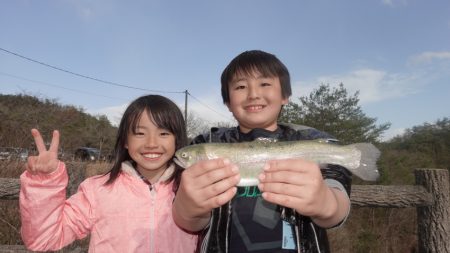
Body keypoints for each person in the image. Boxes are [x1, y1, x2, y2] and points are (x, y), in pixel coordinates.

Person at [172, 50, 352, 253]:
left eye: (265, 84)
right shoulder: (207, 141)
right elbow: (188, 221)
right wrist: (188, 206)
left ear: (285, 96)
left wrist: (326, 204)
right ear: (227, 102)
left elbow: (339, 206)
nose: (253, 94)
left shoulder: (315, 141)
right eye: (240, 86)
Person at [20, 94, 198, 252]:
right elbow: (44, 240)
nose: (152, 143)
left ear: (177, 140)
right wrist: (44, 182)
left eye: (164, 133)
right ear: (125, 141)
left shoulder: (195, 188)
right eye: (140, 133)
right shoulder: (97, 189)